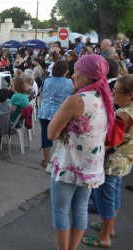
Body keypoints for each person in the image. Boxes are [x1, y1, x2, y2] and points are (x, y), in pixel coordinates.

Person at [46, 54, 114, 250]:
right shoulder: (105, 97)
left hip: (70, 164)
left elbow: (51, 133)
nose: (73, 75)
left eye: (76, 72)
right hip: (91, 166)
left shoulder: (77, 100)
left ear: (87, 76)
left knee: (60, 210)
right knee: (80, 209)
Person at [81, 75, 133, 248]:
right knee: (114, 195)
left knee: (105, 199)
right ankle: (108, 228)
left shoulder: (124, 115)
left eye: (117, 92)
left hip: (112, 161)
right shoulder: (128, 109)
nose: (113, 94)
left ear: (130, 95)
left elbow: (109, 139)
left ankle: (104, 237)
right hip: (124, 161)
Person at [38, 60, 73, 167]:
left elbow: (45, 93)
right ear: (65, 70)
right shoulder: (69, 82)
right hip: (60, 113)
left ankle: (47, 160)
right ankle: (60, 159)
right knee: (63, 137)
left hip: (45, 112)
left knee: (45, 135)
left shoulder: (47, 81)